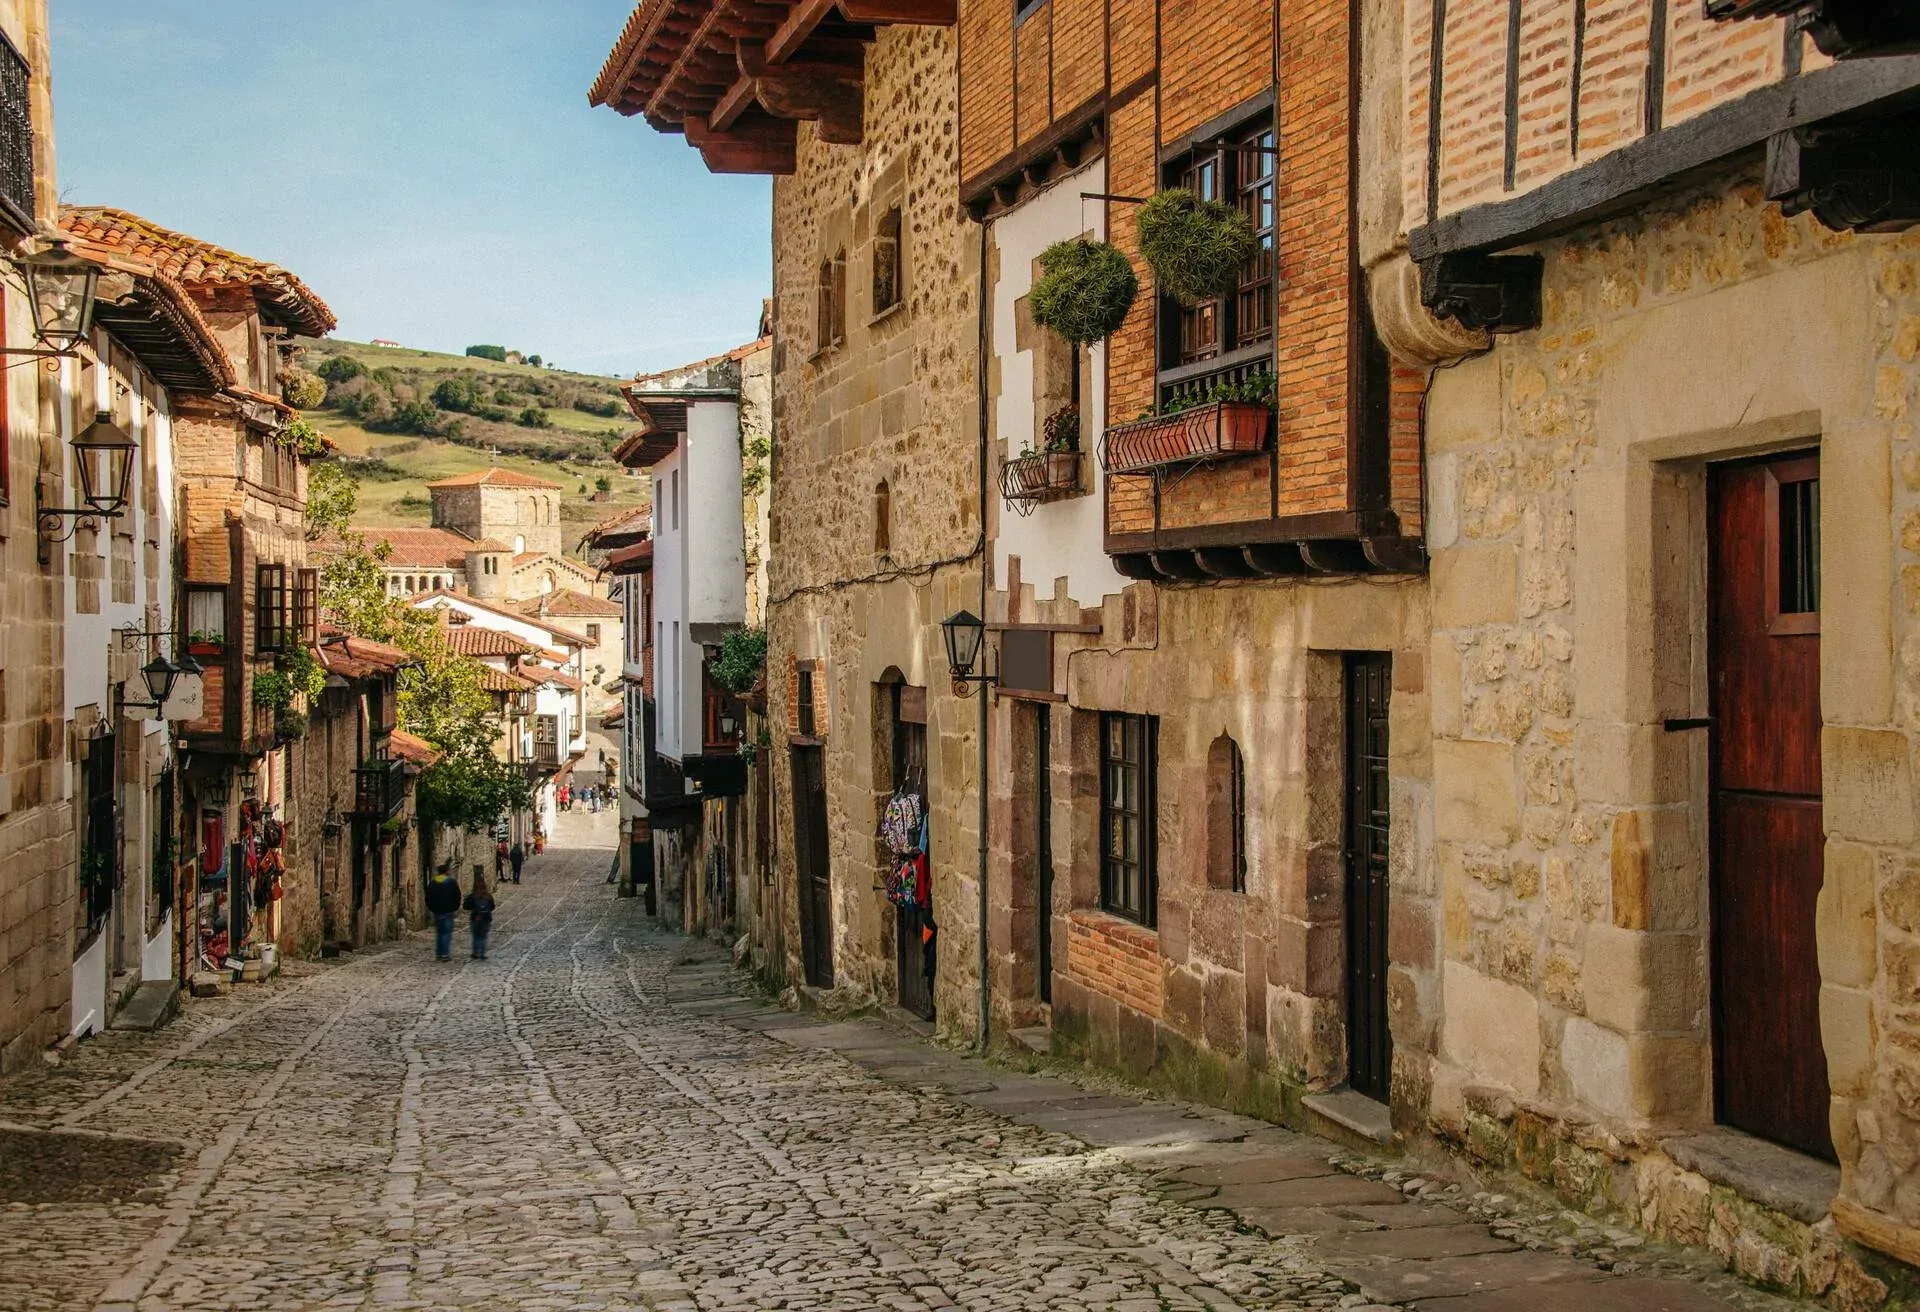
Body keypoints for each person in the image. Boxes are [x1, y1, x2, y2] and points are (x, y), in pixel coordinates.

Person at [424, 864, 461, 961]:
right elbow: (457, 896)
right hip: (448, 911)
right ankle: (444, 954)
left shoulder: (433, 883)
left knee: (439, 933)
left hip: (438, 911)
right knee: (446, 933)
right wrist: (455, 907)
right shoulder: (451, 882)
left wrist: (432, 908)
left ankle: (439, 953)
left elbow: (428, 897)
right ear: (446, 872)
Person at [464, 868, 496, 960]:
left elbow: (466, 906)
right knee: (483, 936)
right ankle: (482, 953)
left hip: (475, 917)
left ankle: (475, 952)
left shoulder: (472, 896)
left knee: (475, 936)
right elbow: (492, 907)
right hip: (486, 918)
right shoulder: (488, 896)